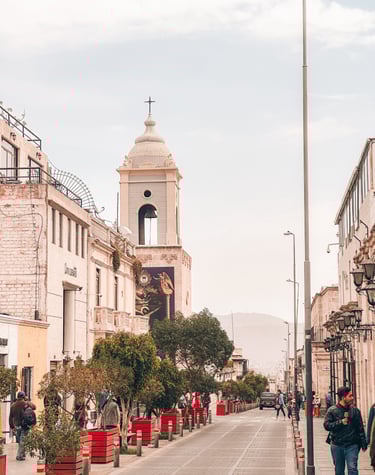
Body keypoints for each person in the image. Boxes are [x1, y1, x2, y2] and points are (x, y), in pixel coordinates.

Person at [324, 386, 367, 475]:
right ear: (343, 397)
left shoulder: (355, 411)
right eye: (350, 396)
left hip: (352, 445)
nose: (352, 398)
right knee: (339, 471)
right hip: (337, 445)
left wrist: (363, 443)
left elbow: (360, 428)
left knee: (352, 469)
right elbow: (327, 425)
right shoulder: (332, 410)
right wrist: (340, 422)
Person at [9, 391, 36, 461]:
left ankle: (22, 454)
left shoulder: (13, 405)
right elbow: (34, 407)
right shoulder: (26, 403)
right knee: (22, 441)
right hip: (24, 425)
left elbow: (10, 417)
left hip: (16, 425)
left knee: (20, 441)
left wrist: (12, 426)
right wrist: (27, 401)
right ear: (23, 396)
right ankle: (19, 456)